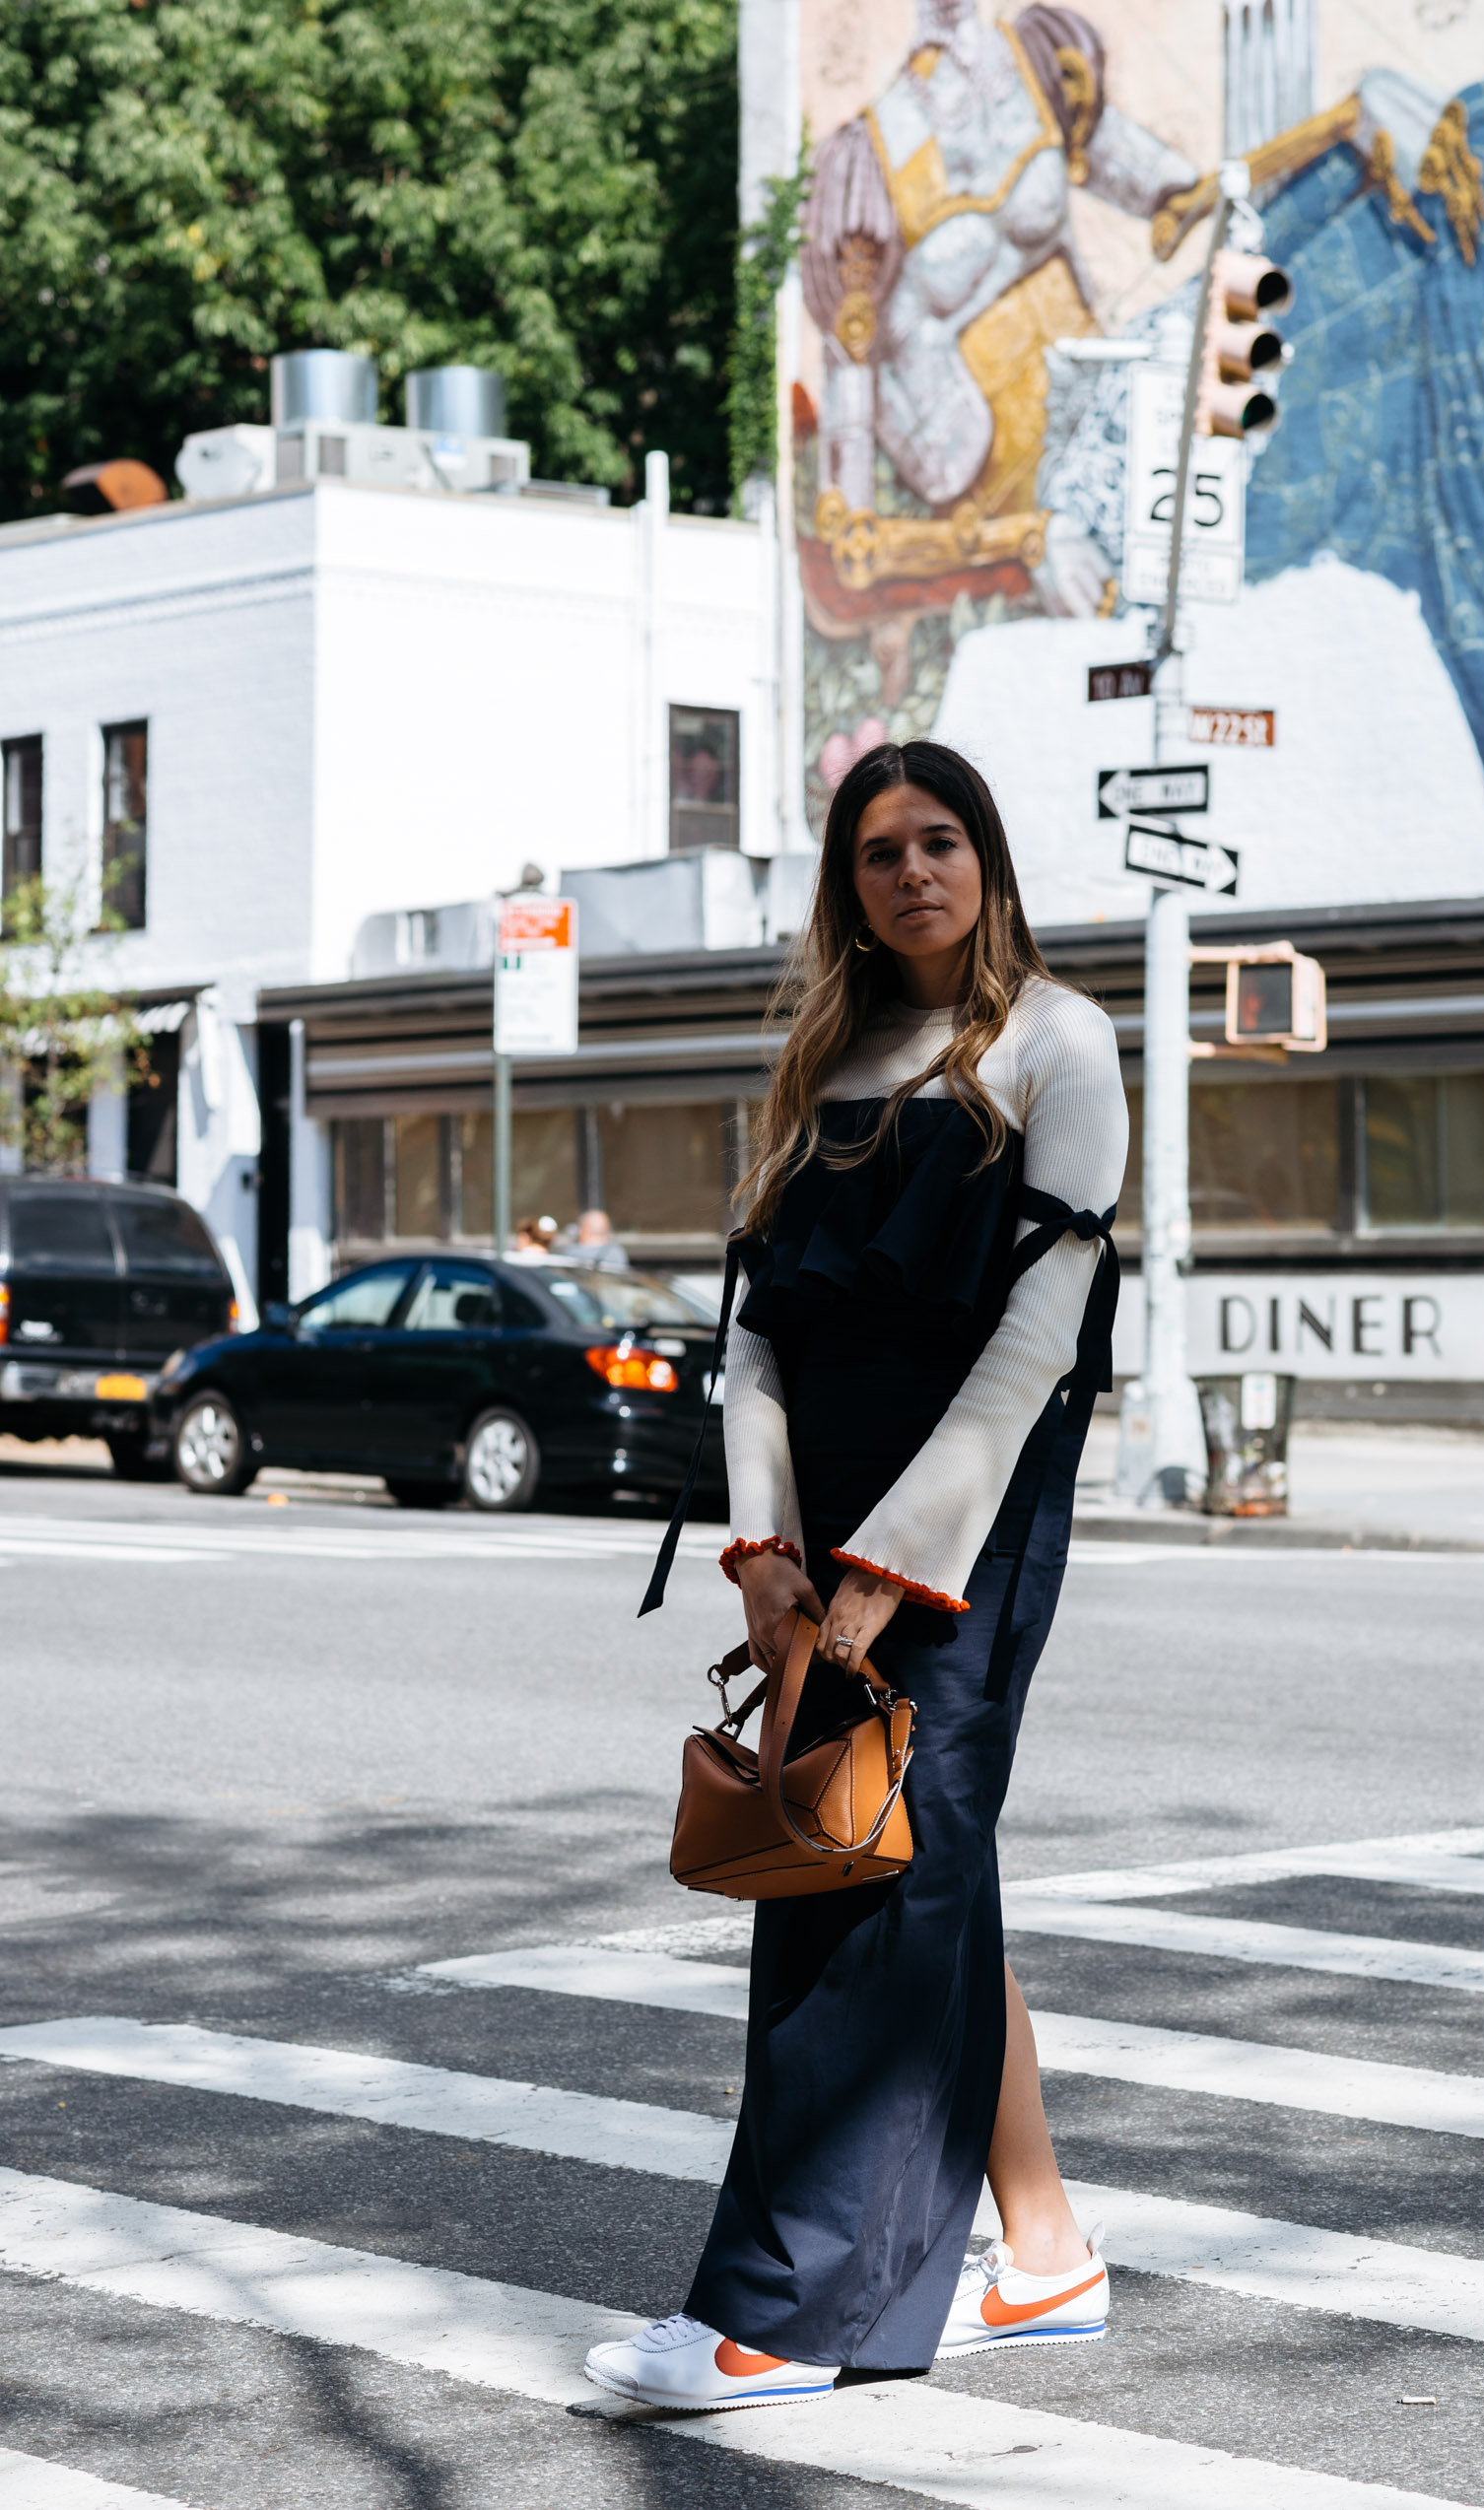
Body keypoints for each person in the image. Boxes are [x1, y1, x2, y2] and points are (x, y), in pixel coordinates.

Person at [585, 738, 1127, 2411]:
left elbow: (1041, 1338)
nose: (913, 872)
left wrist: (893, 1562)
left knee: (864, 1874)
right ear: (848, 881)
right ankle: (1041, 2260)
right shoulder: (824, 1051)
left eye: (941, 840)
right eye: (880, 849)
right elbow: (755, 1333)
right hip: (815, 1534)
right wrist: (764, 1550)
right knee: (903, 1848)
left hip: (963, 1529)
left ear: (989, 857)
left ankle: (788, 2313)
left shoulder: (1060, 1040)